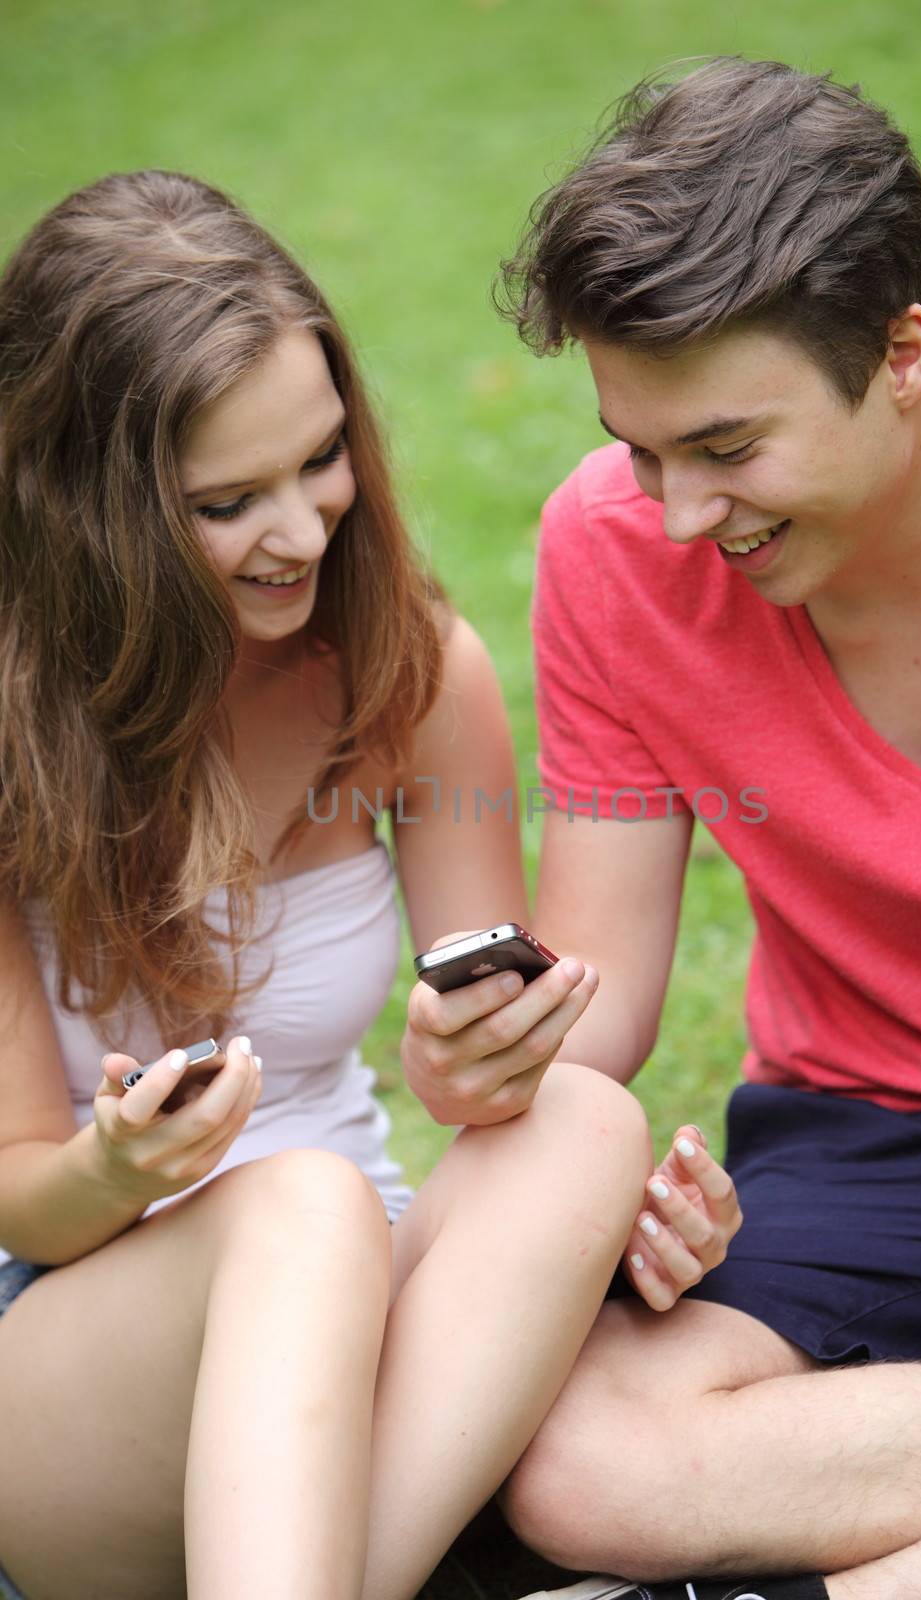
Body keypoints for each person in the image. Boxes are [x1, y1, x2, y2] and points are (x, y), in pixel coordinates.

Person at [402, 57, 921, 1600]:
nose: (679, 514)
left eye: (726, 447)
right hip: (874, 1138)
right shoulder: (615, 553)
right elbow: (604, 990)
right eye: (641, 448)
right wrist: (497, 1065)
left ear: (904, 350)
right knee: (579, 1462)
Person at [0, 168, 663, 1600]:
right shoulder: (12, 732)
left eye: (321, 461)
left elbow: (488, 1085)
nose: (303, 531)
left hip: (366, 1336)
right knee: (300, 1208)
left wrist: (472, 1061)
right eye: (227, 501)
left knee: (584, 1127)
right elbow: (20, 1200)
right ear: (79, 512)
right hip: (64, 1349)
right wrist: (119, 1168)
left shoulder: (408, 670)